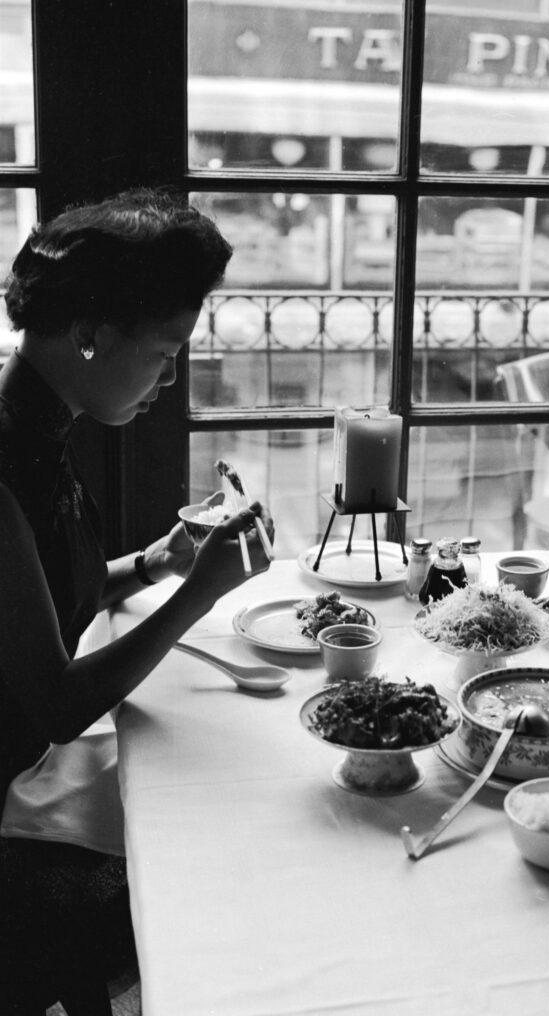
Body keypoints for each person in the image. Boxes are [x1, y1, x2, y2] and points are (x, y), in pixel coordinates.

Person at [0, 189, 271, 1013]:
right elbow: (52, 701)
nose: (172, 376)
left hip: (25, 769)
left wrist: (158, 560)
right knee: (218, 858)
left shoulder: (37, 428)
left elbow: (49, 598)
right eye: (165, 351)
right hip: (7, 808)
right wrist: (196, 596)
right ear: (88, 335)